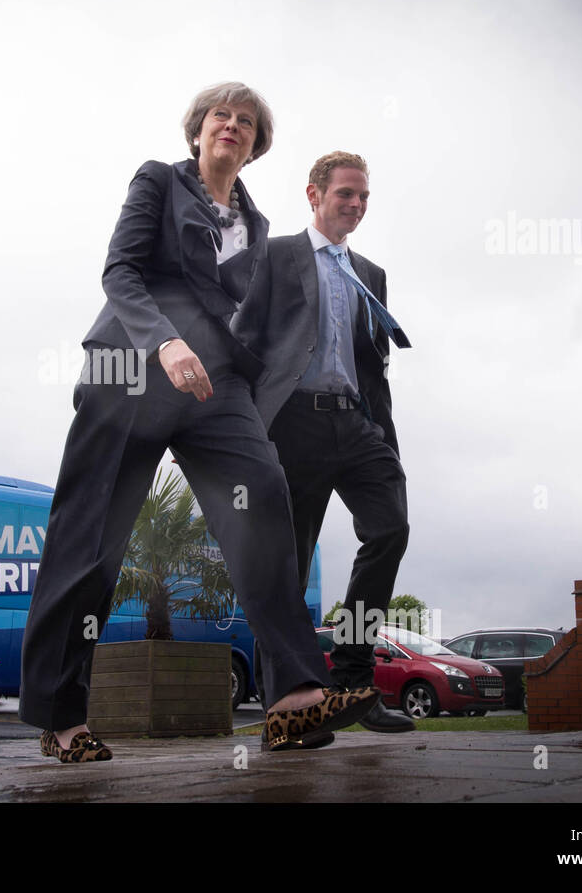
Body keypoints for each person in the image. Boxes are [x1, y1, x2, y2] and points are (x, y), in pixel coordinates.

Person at [18, 86, 380, 762]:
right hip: (130, 367)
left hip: (216, 384)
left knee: (264, 495)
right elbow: (120, 272)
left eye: (247, 122)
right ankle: (60, 715)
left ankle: (292, 695)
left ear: (255, 144)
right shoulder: (159, 180)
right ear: (198, 130)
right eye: (223, 115)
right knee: (92, 538)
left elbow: (240, 311)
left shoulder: (260, 223)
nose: (233, 126)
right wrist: (164, 341)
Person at [232, 151, 414, 733]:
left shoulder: (371, 273)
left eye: (364, 198)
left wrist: (384, 438)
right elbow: (243, 342)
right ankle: (286, 707)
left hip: (357, 425)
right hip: (292, 426)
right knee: (289, 562)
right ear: (314, 196)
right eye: (345, 195)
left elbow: (373, 365)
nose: (356, 206)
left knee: (389, 529)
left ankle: (355, 680)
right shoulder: (275, 256)